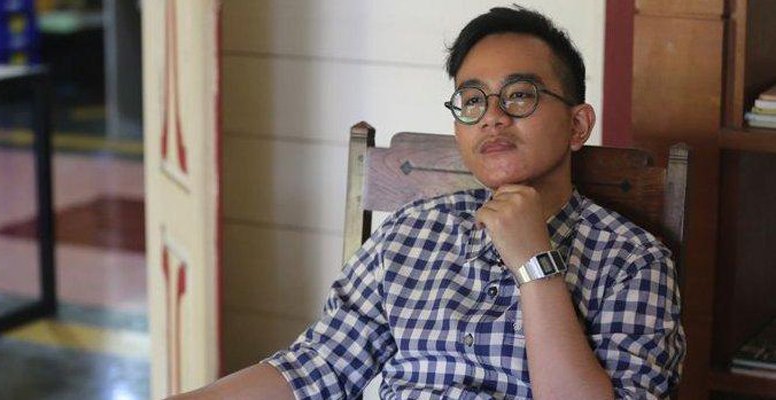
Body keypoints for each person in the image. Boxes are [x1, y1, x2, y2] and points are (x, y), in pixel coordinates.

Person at [170, 6, 685, 400]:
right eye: (472, 100)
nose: (492, 117)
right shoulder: (409, 234)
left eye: (520, 95)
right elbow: (317, 368)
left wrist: (535, 265)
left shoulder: (632, 261)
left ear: (577, 125)